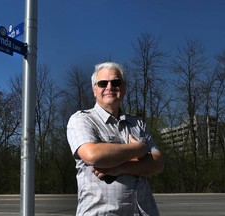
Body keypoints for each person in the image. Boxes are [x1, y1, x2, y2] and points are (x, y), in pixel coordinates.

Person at [66, 62, 164, 216]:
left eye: (116, 82)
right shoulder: (82, 120)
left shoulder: (137, 123)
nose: (109, 87)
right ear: (94, 90)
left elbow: (158, 164)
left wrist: (120, 168)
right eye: (103, 83)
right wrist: (139, 149)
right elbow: (93, 155)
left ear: (123, 88)